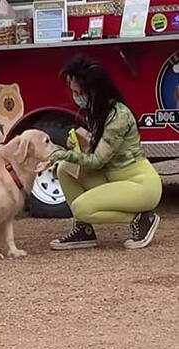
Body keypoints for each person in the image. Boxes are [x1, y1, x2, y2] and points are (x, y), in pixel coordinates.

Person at [49, 54, 162, 250]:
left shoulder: (119, 115)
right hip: (114, 177)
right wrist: (76, 145)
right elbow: (97, 152)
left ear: (93, 90)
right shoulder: (98, 110)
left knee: (81, 207)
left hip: (140, 184)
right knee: (64, 170)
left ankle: (140, 218)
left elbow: (97, 161)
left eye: (78, 91)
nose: (74, 94)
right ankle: (83, 230)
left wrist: (61, 154)